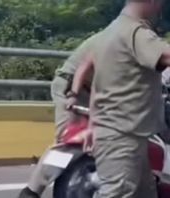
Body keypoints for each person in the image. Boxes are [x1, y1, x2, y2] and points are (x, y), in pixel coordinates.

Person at [84, 0, 170, 197]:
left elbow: (99, 86)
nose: (160, 9)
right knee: (117, 193)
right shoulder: (135, 32)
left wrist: (92, 126)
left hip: (122, 134)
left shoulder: (107, 34)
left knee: (145, 193)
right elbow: (166, 56)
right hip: (123, 136)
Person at [18, 32, 101, 198]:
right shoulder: (120, 41)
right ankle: (31, 192)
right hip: (71, 88)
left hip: (87, 89)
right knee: (69, 142)